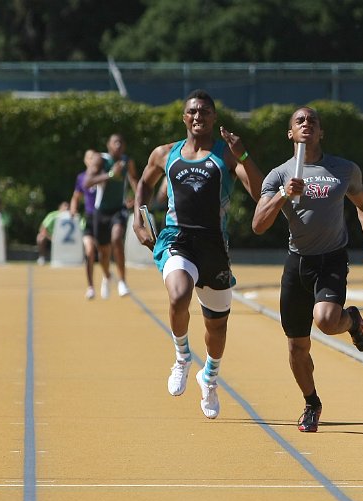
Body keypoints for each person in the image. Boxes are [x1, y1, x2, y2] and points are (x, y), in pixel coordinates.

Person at [133, 89, 263, 419]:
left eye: (204, 111)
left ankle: (210, 378)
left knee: (215, 327)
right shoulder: (166, 153)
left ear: (214, 117)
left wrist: (244, 155)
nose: (197, 117)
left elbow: (259, 194)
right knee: (178, 296)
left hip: (214, 247)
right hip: (178, 238)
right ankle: (182, 357)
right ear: (183, 117)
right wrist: (139, 216)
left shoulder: (226, 155)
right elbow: (145, 183)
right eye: (192, 111)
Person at [252, 106, 363, 433]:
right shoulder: (279, 175)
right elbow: (258, 225)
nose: (306, 124)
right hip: (298, 263)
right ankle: (312, 402)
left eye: (313, 121)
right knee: (296, 347)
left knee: (325, 320)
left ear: (321, 133)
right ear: (290, 133)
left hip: (332, 258)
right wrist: (282, 194)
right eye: (299, 121)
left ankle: (352, 320)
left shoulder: (343, 169)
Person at [84, 133, 138, 298]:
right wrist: (110, 175)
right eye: (115, 142)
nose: (118, 145)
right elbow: (88, 182)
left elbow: (135, 180)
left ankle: (122, 281)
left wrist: (138, 200)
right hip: (101, 212)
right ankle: (107, 276)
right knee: (104, 252)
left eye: (121, 143)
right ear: (108, 145)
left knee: (116, 238)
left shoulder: (127, 161)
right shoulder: (101, 159)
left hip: (118, 209)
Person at [70, 150, 101, 299]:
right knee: (89, 252)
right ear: (85, 160)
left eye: (93, 158)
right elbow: (76, 196)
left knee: (104, 252)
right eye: (88, 157)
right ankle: (90, 286)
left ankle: (108, 278)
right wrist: (73, 208)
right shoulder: (81, 178)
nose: (91, 160)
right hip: (89, 217)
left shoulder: (102, 176)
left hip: (103, 218)